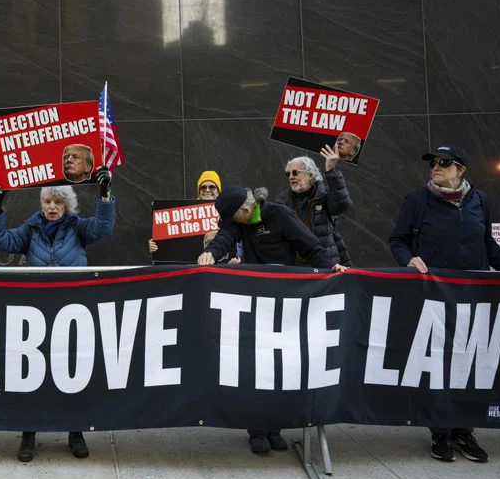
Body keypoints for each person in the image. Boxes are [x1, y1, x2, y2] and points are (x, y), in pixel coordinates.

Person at [388, 145, 500, 463]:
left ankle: (464, 430)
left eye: (444, 163)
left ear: (461, 170)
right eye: (433, 163)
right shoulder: (417, 200)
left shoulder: (480, 200)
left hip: (475, 296)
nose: (436, 167)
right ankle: (439, 432)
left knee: (469, 362)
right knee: (438, 362)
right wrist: (408, 260)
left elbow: (487, 243)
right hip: (435, 297)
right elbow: (397, 239)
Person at [199, 185, 347, 454]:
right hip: (255, 303)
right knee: (255, 367)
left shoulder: (281, 216)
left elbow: (312, 247)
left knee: (281, 365)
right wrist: (211, 252)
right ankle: (256, 431)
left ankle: (275, 428)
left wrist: (331, 267)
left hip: (285, 303)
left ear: (246, 209)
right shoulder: (239, 222)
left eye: (233, 218)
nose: (232, 224)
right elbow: (224, 236)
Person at [0, 170, 115, 462]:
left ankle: (75, 431)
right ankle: (29, 434)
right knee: (33, 375)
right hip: (38, 313)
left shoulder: (78, 228)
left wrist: (105, 196)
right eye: (47, 201)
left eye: (58, 201)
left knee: (72, 373)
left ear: (66, 204)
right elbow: (1, 242)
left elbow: (104, 227)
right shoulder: (31, 229)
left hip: (73, 312)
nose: (52, 206)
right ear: (41, 203)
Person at [275, 149, 352, 267]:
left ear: (310, 175)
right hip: (294, 266)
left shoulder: (324, 195)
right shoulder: (282, 201)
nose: (290, 177)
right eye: (288, 174)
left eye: (295, 172)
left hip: (325, 264)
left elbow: (342, 205)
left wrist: (331, 170)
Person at [149, 170, 235, 257]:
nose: (207, 190)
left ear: (218, 191)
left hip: (220, 265)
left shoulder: (228, 212)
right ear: (199, 191)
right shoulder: (184, 214)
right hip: (192, 267)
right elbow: (174, 243)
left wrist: (234, 256)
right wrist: (157, 246)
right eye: (203, 187)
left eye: (212, 187)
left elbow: (237, 242)